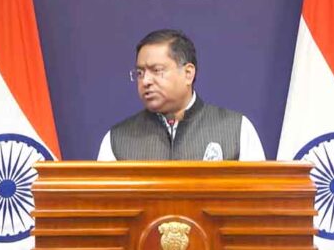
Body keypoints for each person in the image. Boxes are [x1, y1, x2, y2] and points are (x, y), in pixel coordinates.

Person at [97, 29, 265, 161]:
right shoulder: (117, 140)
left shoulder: (237, 130)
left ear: (188, 73)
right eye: (140, 73)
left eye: (157, 70)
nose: (145, 81)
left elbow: (259, 193)